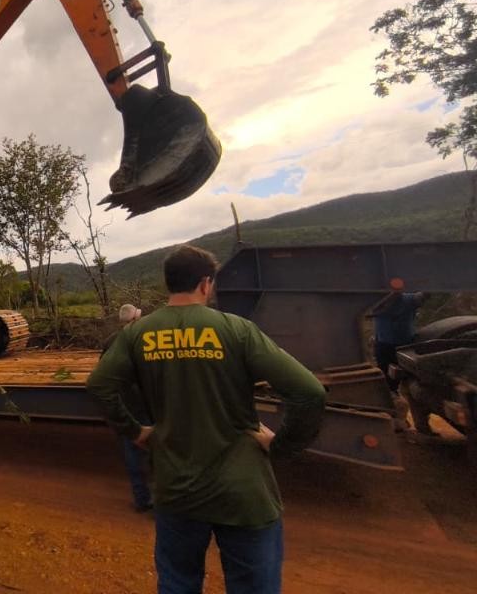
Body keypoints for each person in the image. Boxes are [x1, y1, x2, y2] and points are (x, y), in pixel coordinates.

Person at [87, 245, 327, 594]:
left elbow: (99, 386)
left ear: (169, 283)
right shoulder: (236, 329)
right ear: (205, 284)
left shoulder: (138, 334)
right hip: (244, 492)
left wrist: (134, 430)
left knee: (179, 583)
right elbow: (310, 392)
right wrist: (281, 445)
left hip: (176, 490)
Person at [107, 303, 153, 512]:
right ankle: (160, 501)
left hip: (124, 404)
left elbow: (103, 376)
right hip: (145, 403)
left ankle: (141, 499)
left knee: (132, 450)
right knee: (156, 451)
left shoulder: (110, 342)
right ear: (135, 320)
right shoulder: (146, 340)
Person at [369, 278, 426, 393]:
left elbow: (424, 295)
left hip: (401, 346)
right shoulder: (377, 303)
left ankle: (398, 394)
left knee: (405, 377)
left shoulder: (408, 299)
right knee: (388, 377)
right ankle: (393, 395)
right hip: (389, 346)